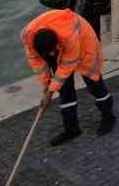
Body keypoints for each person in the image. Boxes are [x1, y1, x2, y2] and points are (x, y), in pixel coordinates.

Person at [22, 8, 114, 145]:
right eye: (48, 54)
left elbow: (66, 67)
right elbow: (37, 63)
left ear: (56, 45)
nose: (52, 56)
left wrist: (50, 92)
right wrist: (47, 86)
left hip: (83, 43)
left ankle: (108, 117)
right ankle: (72, 129)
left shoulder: (69, 36)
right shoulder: (29, 38)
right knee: (65, 91)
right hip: (58, 43)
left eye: (53, 52)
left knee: (95, 85)